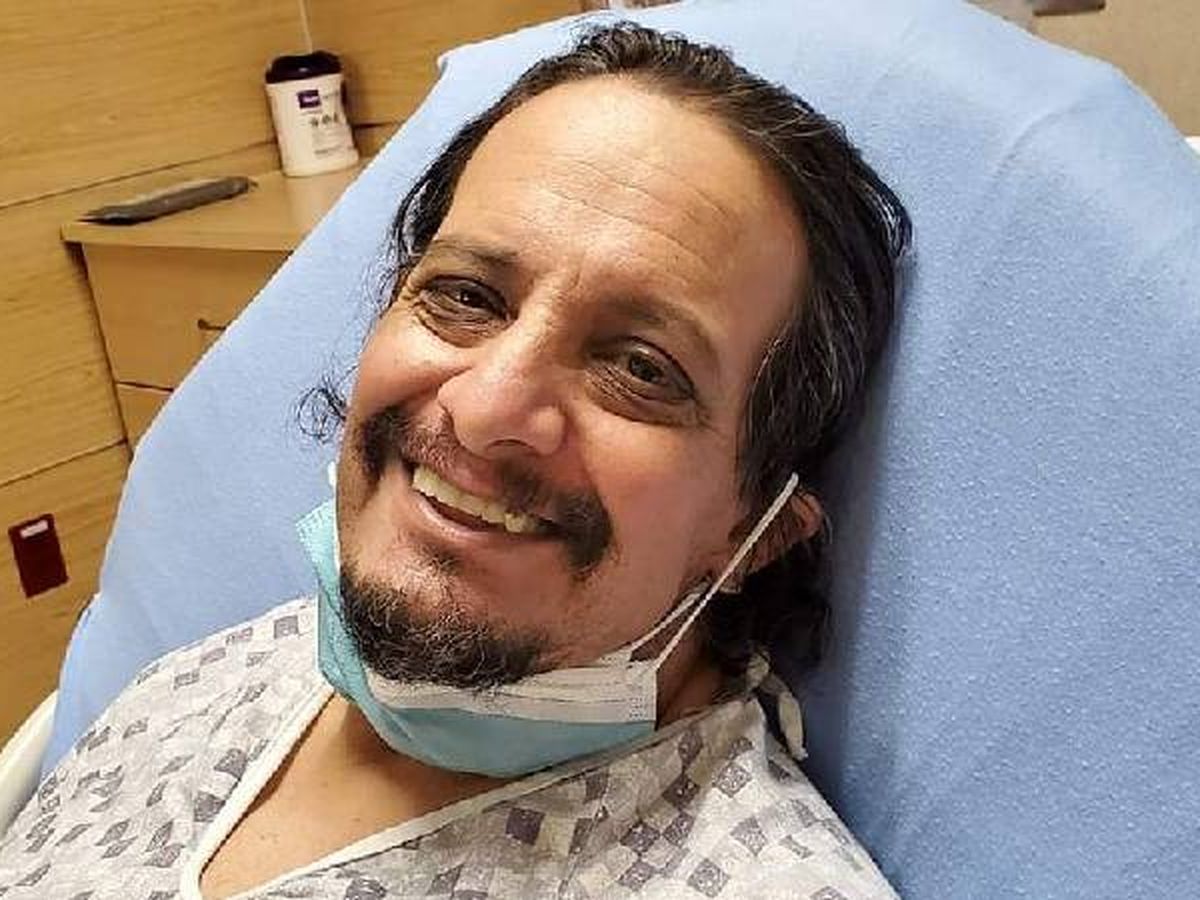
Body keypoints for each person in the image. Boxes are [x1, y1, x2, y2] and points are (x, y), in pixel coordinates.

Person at [0, 23, 910, 899]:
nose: (483, 410)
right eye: (466, 296)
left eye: (641, 368)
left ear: (753, 534)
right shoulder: (214, 677)